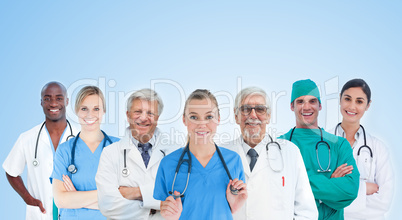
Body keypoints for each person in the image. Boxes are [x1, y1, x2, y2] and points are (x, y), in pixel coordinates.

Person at [220, 86, 318, 219]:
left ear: (268, 116)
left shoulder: (290, 152)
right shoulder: (220, 154)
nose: (253, 115)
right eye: (246, 109)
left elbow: (307, 212)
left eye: (260, 109)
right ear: (236, 116)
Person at [153, 89, 247, 220]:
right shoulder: (168, 164)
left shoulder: (233, 160)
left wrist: (234, 207)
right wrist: (169, 215)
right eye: (194, 117)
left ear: (218, 119)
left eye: (209, 117)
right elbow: (163, 209)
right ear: (184, 120)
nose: (202, 124)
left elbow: (232, 208)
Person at [279, 79, 360, 220]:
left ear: (320, 105)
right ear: (292, 106)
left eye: (312, 101)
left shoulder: (339, 145)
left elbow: (350, 190)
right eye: (300, 102)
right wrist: (329, 182)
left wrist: (295, 184)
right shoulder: (279, 145)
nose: (306, 107)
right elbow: (276, 189)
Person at [96, 88, 178, 220]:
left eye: (150, 113)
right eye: (138, 112)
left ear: (158, 117)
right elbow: (107, 204)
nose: (144, 118)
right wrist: (154, 208)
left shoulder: (175, 152)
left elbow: (179, 199)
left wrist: (136, 192)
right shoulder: (110, 153)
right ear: (128, 115)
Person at [3, 81, 77, 220]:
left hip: (75, 213)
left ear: (66, 101)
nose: (53, 103)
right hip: (40, 214)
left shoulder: (82, 138)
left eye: (59, 98)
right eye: (47, 98)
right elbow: (11, 171)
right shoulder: (27, 138)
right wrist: (27, 198)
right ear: (41, 102)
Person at [329, 79, 394, 220]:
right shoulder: (323, 144)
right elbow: (316, 195)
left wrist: (336, 191)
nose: (352, 106)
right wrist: (364, 189)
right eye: (347, 99)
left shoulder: (378, 148)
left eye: (359, 101)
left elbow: (383, 202)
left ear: (368, 105)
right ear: (340, 99)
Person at [51, 86, 119, 219]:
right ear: (77, 111)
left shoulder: (119, 147)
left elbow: (128, 201)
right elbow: (60, 200)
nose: (90, 115)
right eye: (84, 109)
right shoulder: (65, 151)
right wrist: (107, 195)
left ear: (103, 111)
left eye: (96, 109)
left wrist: (76, 197)